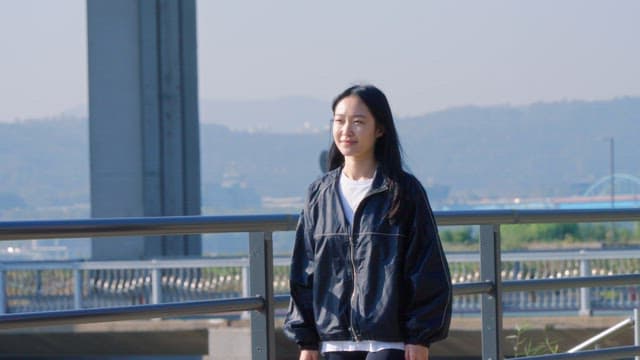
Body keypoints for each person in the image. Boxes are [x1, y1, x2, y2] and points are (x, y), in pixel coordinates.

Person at [284, 84, 452, 360]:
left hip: (389, 342)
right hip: (332, 342)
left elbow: (426, 268)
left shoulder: (404, 192)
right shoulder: (319, 193)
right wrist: (306, 341)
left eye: (358, 122)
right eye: (339, 121)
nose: (346, 130)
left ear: (380, 129)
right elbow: (304, 271)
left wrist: (419, 337)